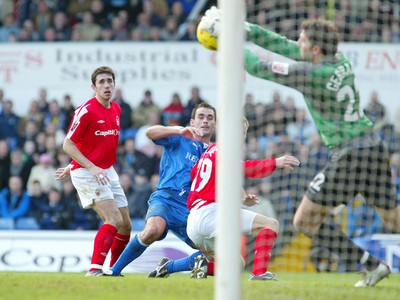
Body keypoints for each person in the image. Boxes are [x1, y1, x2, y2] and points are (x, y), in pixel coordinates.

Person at [199, 7, 397, 287]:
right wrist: (242, 27)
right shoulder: (337, 59)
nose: (297, 44)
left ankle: (371, 265)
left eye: (302, 41)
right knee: (393, 219)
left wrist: (227, 38)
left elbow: (259, 67)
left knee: (304, 221)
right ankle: (372, 265)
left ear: (315, 49)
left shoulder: (313, 76)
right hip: (373, 148)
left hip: (350, 153)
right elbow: (282, 45)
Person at [162, 117, 300, 280]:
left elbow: (202, 177)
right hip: (211, 214)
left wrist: (242, 199)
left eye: (242, 133)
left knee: (236, 264)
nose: (240, 136)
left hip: (194, 222)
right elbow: (244, 168)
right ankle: (259, 273)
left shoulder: (209, 152)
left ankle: (169, 267)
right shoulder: (225, 149)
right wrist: (275, 162)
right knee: (270, 224)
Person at [104, 102, 217, 277]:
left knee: (215, 256)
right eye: (201, 117)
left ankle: (167, 267)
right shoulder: (180, 137)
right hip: (166, 198)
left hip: (192, 208)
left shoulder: (216, 151)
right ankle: (114, 271)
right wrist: (178, 130)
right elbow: (150, 132)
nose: (205, 121)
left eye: (210, 118)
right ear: (192, 122)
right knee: (153, 230)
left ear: (215, 125)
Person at [54, 66, 132, 276]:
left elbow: (91, 143)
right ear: (93, 86)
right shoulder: (85, 111)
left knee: (126, 225)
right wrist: (85, 167)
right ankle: (95, 269)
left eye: (110, 81)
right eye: (102, 82)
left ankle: (114, 270)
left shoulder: (116, 108)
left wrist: (72, 166)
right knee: (113, 219)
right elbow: (68, 144)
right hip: (88, 173)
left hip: (106, 170)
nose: (107, 85)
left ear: (114, 84)